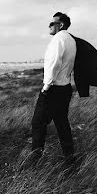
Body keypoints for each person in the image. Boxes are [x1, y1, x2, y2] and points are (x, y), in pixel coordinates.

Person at [31, 12, 77, 160]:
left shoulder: (58, 39)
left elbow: (54, 63)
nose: (49, 26)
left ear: (61, 25)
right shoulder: (71, 40)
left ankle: (35, 159)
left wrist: (46, 87)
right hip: (65, 88)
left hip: (53, 89)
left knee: (38, 123)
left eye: (52, 24)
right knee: (62, 124)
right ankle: (70, 158)